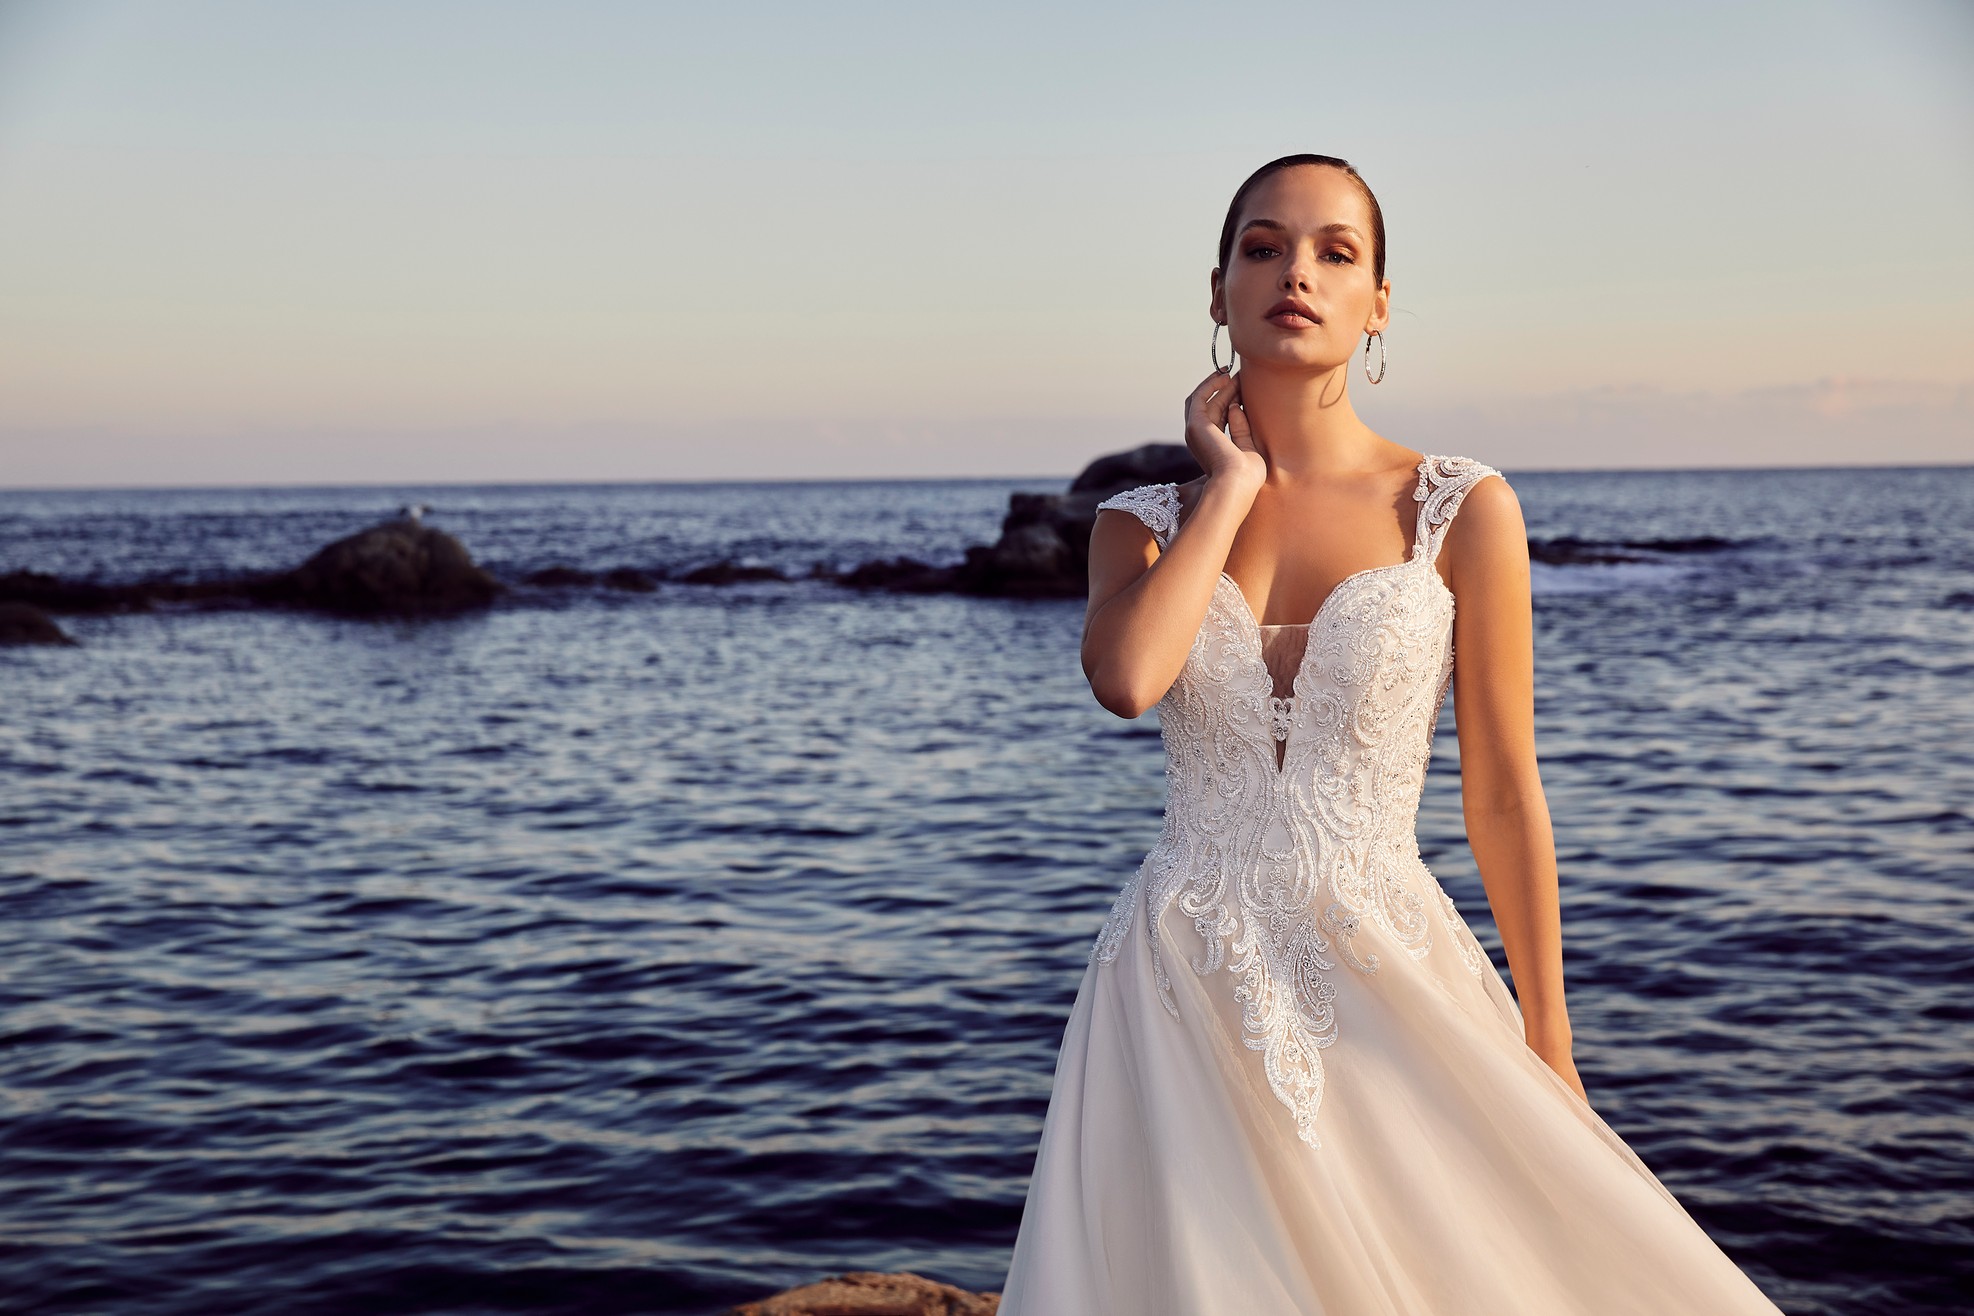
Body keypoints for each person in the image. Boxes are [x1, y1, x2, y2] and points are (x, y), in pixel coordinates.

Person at [996, 155, 1787, 1315]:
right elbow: (1126, 678)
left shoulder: (1462, 506)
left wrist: (1550, 1037)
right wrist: (1224, 487)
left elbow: (1505, 790)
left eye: (1335, 252)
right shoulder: (1141, 522)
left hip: (1386, 959)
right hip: (1178, 979)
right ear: (1216, 293)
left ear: (1378, 304)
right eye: (1262, 249)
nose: (1296, 275)